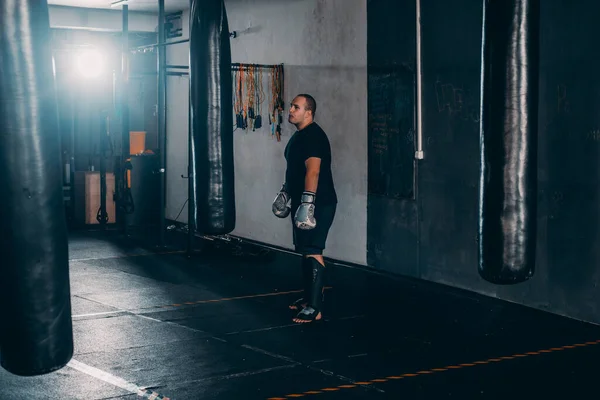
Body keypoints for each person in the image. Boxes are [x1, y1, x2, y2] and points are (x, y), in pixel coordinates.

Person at [272, 94, 337, 324]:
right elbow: (295, 170)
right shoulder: (298, 137)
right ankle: (309, 297)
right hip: (302, 200)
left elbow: (313, 171)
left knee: (313, 250)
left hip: (318, 202)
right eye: (291, 106)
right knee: (305, 249)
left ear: (308, 112)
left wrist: (308, 203)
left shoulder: (314, 137)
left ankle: (314, 308)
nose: (291, 110)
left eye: (296, 107)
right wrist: (285, 193)